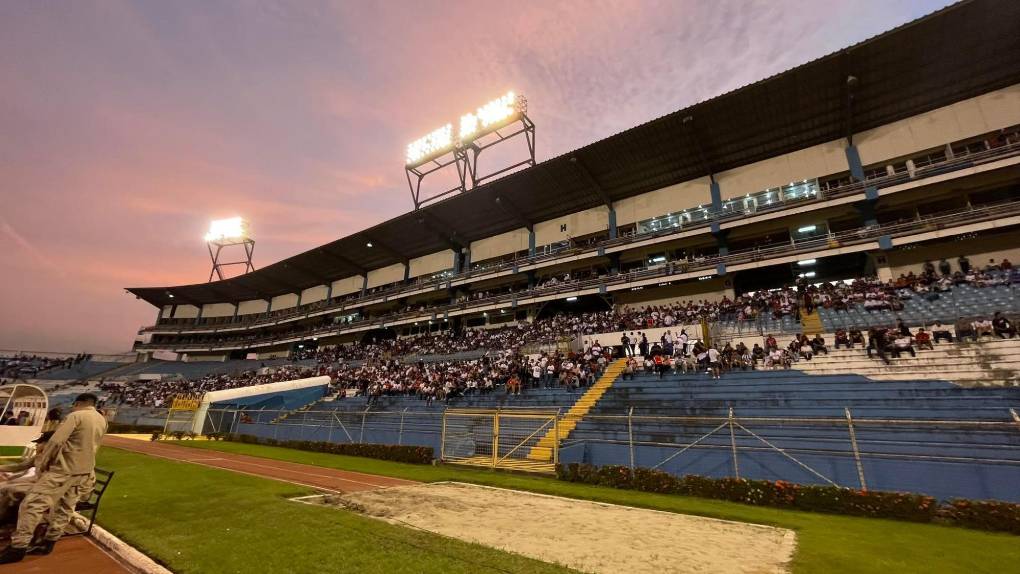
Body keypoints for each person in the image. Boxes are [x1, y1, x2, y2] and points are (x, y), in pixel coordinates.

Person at [0, 393, 107, 562]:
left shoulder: (76, 416)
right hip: (84, 472)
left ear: (78, 403)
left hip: (63, 470)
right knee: (64, 508)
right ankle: (48, 543)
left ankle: (18, 547)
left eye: (74, 405)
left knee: (31, 505)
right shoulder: (102, 420)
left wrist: (44, 464)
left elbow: (56, 441)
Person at [0, 432, 53, 523]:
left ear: (48, 444)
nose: (36, 445)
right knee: (4, 485)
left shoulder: (54, 459)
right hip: (35, 480)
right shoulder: (38, 456)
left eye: (40, 443)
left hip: (44, 485)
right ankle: (7, 514)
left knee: (9, 488)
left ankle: (4, 517)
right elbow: (20, 466)